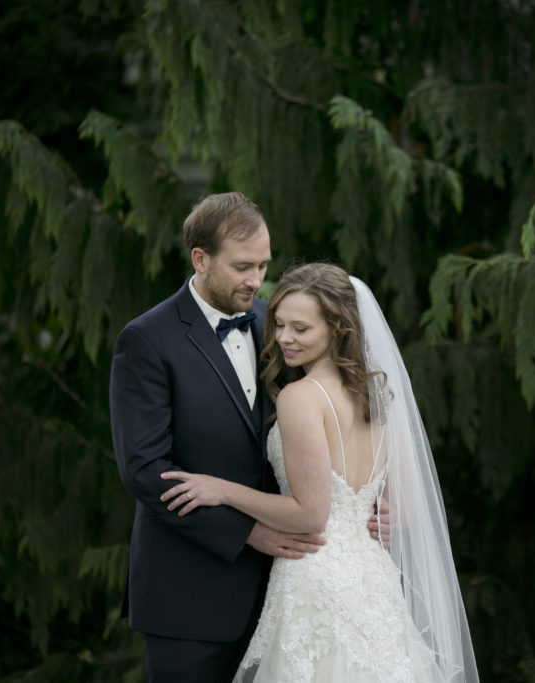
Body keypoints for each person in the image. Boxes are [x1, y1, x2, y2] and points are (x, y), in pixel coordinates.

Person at [159, 263, 479, 682]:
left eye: (301, 329)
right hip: (373, 584)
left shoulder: (301, 397)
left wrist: (223, 490)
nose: (283, 339)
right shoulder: (382, 395)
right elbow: (412, 506)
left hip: (315, 578)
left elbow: (310, 514)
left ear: (338, 330)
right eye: (278, 324)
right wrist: (385, 515)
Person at [111, 194, 383, 682]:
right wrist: (247, 532)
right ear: (201, 258)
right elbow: (145, 471)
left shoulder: (279, 326)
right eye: (242, 267)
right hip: (190, 596)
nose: (257, 280)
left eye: (263, 264)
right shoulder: (147, 340)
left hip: (288, 592)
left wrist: (375, 504)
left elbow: (334, 426)